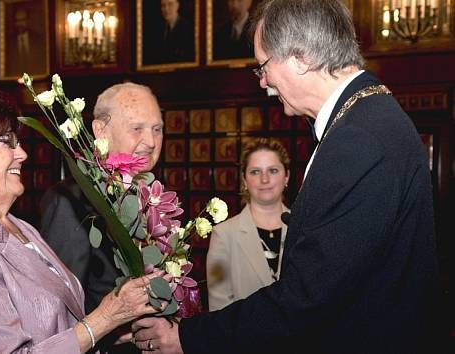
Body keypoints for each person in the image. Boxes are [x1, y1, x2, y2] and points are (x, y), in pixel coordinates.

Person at [131, 0, 439, 353]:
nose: (263, 82)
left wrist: (185, 337)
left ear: (300, 58)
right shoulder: (368, 116)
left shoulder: (358, 138)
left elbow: (307, 298)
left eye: (263, 66)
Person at [0, 83, 164, 353]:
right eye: (6, 142)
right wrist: (105, 319)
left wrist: (113, 330)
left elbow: (57, 327)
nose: (22, 154)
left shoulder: (19, 227)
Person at [40, 82, 164, 353]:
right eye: (137, 128)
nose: (151, 141)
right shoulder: (71, 201)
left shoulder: (154, 195)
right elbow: (59, 305)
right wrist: (113, 329)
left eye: (157, 129)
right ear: (100, 130)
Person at [206, 137, 289, 311]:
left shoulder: (307, 229)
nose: (264, 179)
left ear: (286, 176)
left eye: (273, 170)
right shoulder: (224, 234)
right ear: (244, 180)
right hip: (244, 337)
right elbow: (219, 311)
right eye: (255, 172)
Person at [143, 0, 195, 65]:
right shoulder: (156, 29)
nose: (166, 9)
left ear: (177, 5)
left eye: (170, 4)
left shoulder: (188, 28)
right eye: (163, 5)